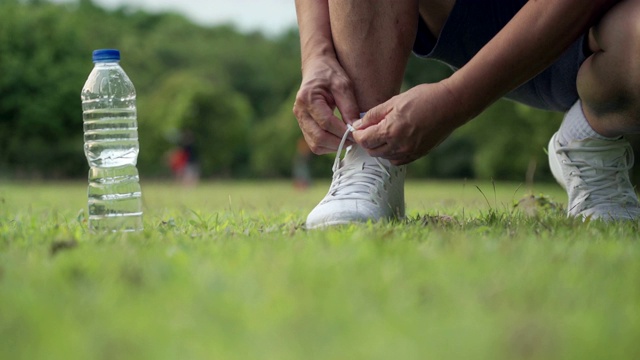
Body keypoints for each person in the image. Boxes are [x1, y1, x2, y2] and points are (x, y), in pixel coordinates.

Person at [292, 0, 640, 228]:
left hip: (598, 26)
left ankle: (593, 143)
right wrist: (316, 52)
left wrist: (454, 99)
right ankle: (370, 157)